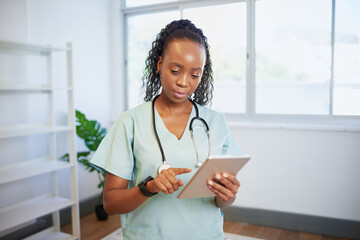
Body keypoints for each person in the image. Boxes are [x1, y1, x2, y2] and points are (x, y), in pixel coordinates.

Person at [91, 19, 243, 240]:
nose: (184, 82)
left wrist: (227, 196)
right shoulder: (130, 122)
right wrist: (148, 187)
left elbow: (222, 201)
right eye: (175, 70)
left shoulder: (216, 122)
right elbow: (111, 203)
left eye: (194, 75)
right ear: (159, 63)